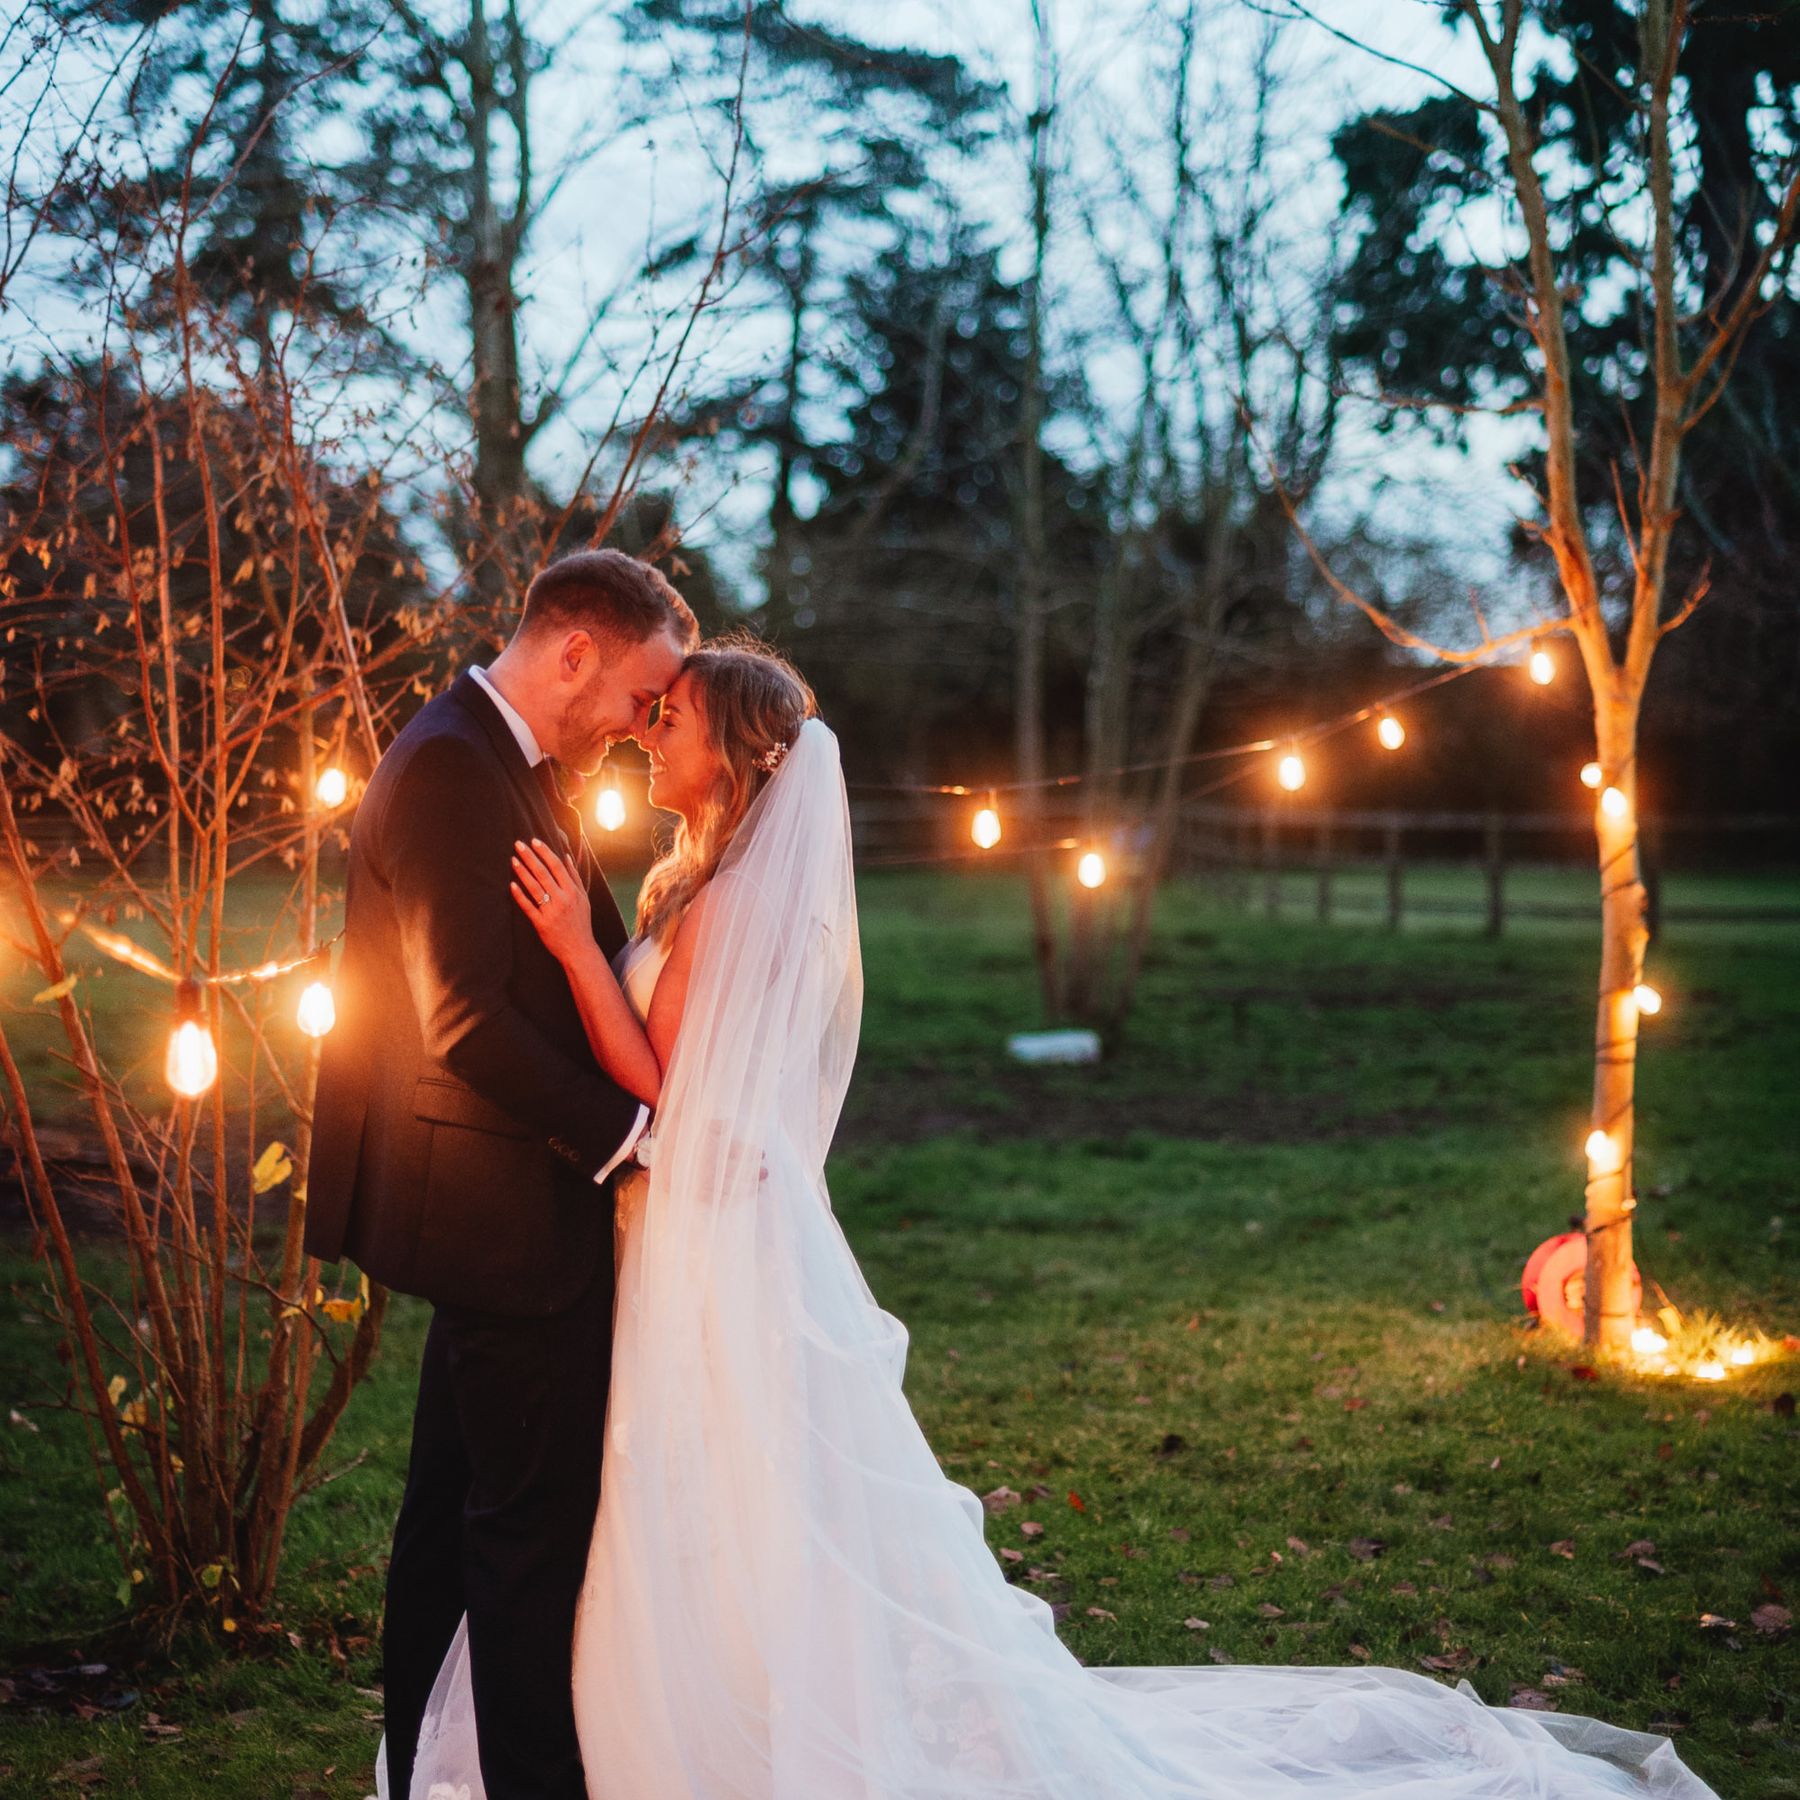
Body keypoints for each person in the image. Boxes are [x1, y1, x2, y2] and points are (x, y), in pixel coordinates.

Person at [401, 634, 1719, 1800]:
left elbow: (660, 1081)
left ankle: (731, 1719)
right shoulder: (701, 880)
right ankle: (670, 1704)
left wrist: (571, 947)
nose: (651, 731)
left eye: (674, 718)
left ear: (737, 759)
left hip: (703, 1233)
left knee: (724, 1478)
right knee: (696, 1483)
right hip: (689, 1222)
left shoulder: (735, 899)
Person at [306, 548, 696, 1800]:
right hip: (505, 1215)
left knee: (451, 1516)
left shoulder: (501, 761)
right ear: (575, 652)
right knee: (525, 1538)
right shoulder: (451, 770)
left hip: (495, 1209)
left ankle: (422, 1769)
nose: (639, 726)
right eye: (639, 696)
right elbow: (465, 1019)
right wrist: (628, 1138)